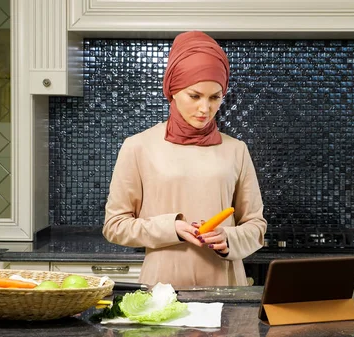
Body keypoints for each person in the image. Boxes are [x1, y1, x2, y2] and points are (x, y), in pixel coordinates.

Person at [103, 31, 267, 287]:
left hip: (226, 286)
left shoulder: (236, 149)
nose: (205, 109)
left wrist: (229, 239)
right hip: (163, 287)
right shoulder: (138, 147)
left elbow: (256, 225)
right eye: (195, 96)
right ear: (173, 91)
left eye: (215, 97)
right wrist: (171, 228)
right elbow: (115, 225)